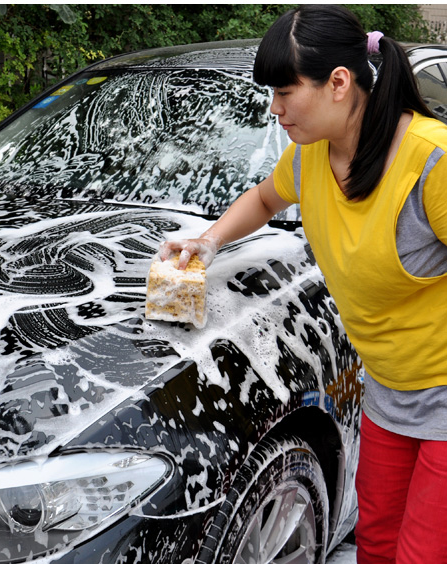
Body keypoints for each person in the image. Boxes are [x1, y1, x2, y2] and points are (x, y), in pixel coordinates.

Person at [160, 5, 447, 564]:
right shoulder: (311, 156)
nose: (276, 109)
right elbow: (266, 197)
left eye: (286, 92)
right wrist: (210, 240)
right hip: (388, 391)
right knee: (379, 544)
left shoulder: (430, 162)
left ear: (339, 83)